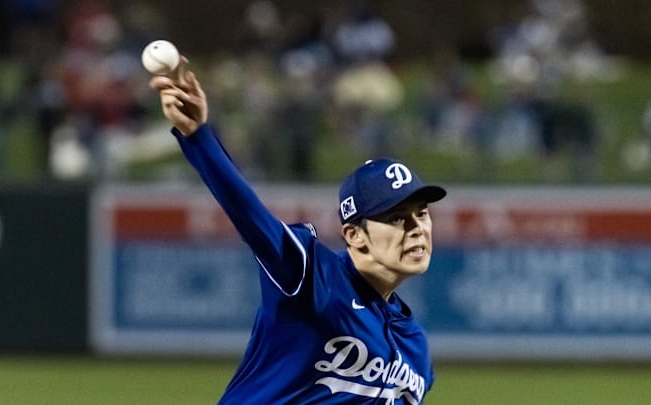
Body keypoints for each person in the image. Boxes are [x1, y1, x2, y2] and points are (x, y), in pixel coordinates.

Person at [149, 57, 446, 404]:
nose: (416, 228)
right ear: (355, 236)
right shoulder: (312, 276)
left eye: (421, 213)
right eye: (396, 217)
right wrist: (198, 136)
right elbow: (250, 215)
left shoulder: (416, 353)